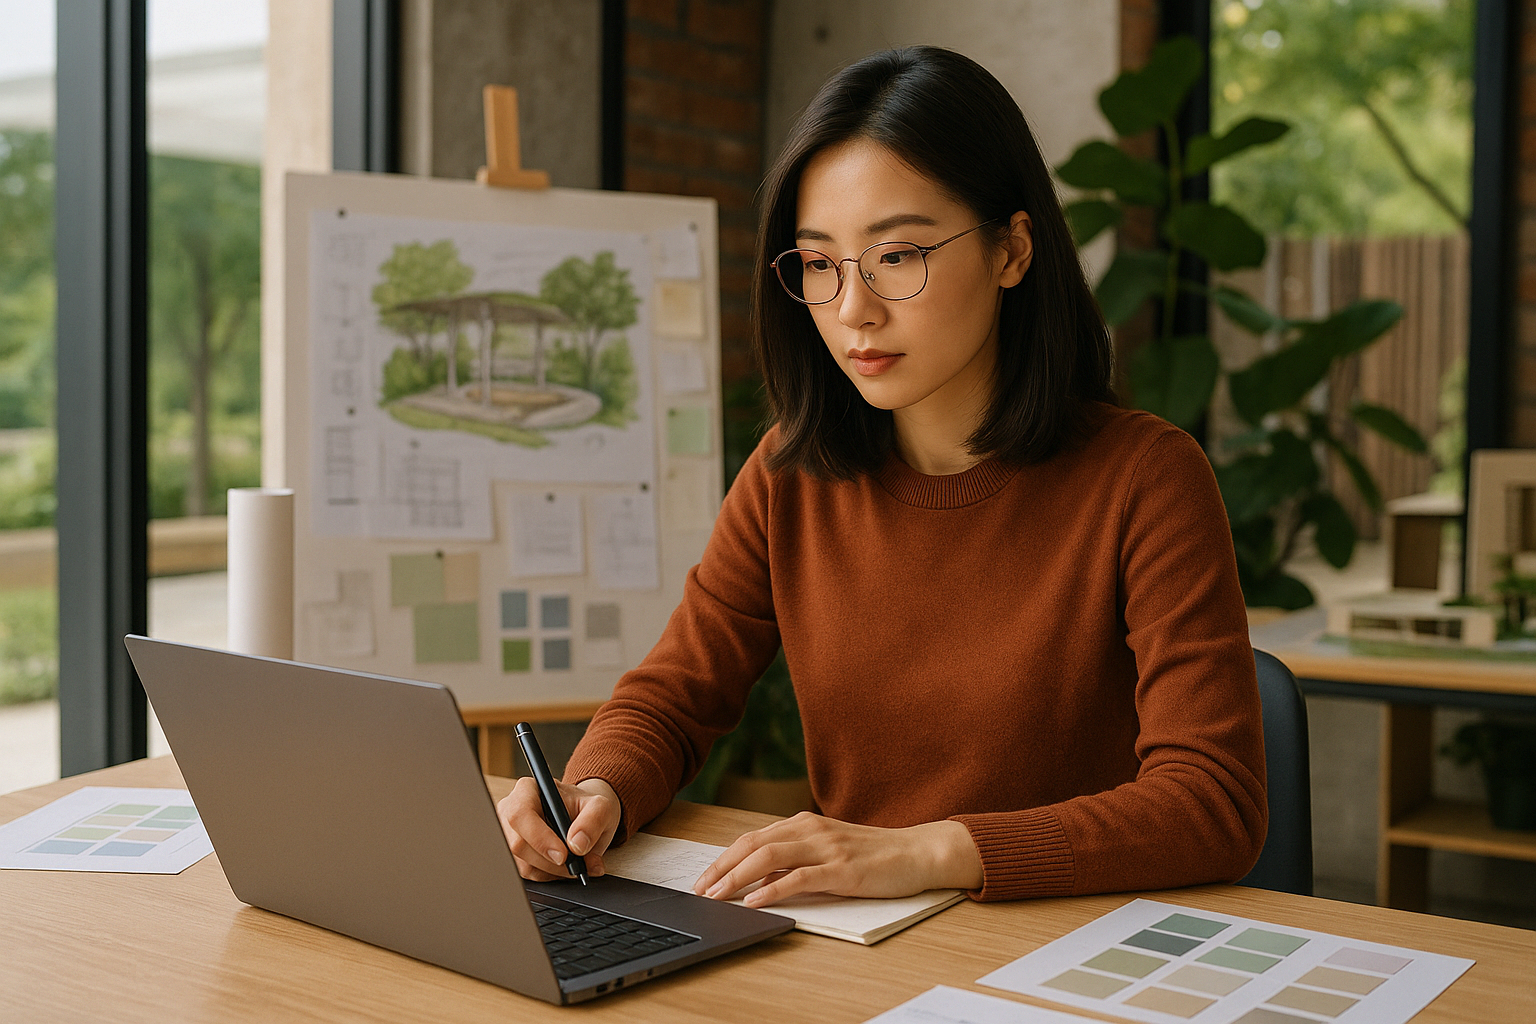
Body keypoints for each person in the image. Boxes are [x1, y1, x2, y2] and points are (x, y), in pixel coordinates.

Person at [497, 46, 1266, 906]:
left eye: (897, 255)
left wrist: (931, 852)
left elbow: (1214, 803)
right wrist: (596, 790)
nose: (854, 307)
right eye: (820, 264)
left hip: (1071, 946)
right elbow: (676, 695)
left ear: (1014, 248)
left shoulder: (1146, 479)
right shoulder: (791, 473)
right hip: (861, 945)